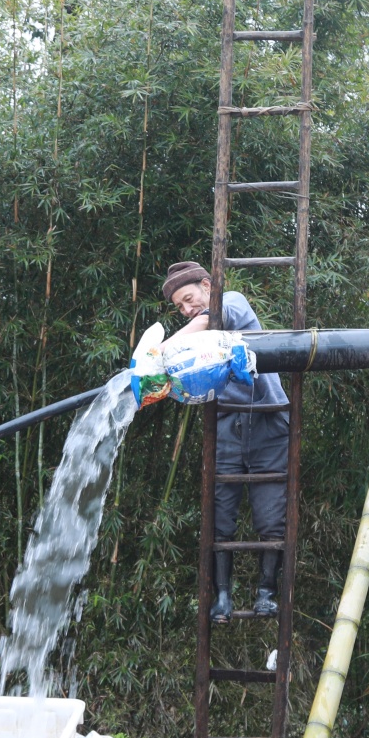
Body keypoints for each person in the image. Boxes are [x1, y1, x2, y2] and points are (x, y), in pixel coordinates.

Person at [160, 259, 290, 624]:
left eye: (189, 298)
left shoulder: (231, 302)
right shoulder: (192, 341)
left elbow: (208, 320)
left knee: (271, 515)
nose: (187, 309)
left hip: (268, 420)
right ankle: (222, 596)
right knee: (220, 515)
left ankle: (267, 592)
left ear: (207, 285)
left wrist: (162, 350)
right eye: (180, 307)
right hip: (226, 425)